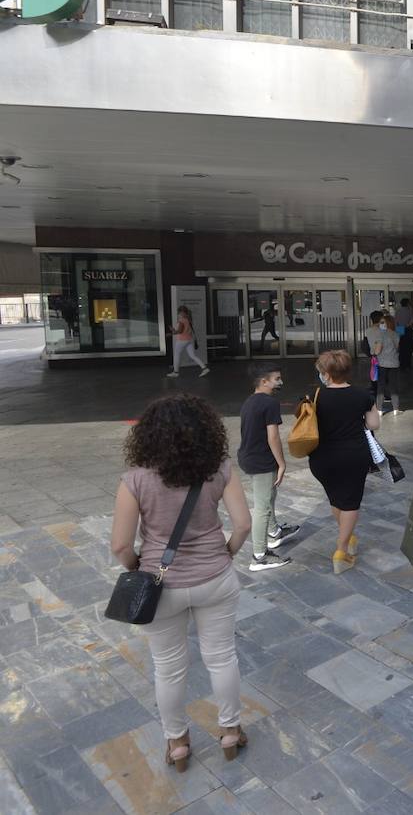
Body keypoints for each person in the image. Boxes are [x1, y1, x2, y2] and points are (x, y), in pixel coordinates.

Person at [110, 393, 252, 771]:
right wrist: (226, 554)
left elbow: (121, 544)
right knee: (222, 658)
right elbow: (243, 525)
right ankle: (231, 731)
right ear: (207, 431)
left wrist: (138, 564)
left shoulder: (135, 479)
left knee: (168, 667)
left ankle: (177, 743)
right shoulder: (219, 468)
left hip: (161, 585)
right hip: (215, 578)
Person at [308, 350, 381, 573]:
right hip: (353, 455)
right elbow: (373, 424)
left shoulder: (315, 396)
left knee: (336, 499)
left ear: (327, 375)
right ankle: (341, 550)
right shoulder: (363, 395)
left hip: (322, 458)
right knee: (350, 502)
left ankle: (347, 538)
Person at [237, 363, 298, 572]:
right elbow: (273, 437)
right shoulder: (270, 403)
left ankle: (274, 533)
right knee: (262, 507)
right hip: (261, 460)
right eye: (277, 379)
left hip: (248, 456)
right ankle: (259, 556)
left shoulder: (250, 401)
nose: (280, 382)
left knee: (269, 496)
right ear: (264, 381)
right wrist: (282, 463)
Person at [370, 312, 401, 415]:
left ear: (386, 323)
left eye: (382, 322)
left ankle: (379, 409)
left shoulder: (381, 334)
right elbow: (397, 348)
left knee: (381, 386)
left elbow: (377, 351)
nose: (380, 324)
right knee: (393, 386)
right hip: (394, 363)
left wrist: (374, 351)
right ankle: (396, 409)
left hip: (382, 364)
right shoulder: (396, 334)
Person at [167, 305, 209, 378]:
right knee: (193, 356)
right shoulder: (188, 319)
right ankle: (204, 368)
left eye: (179, 312)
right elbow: (183, 331)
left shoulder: (181, 320)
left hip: (182, 340)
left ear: (182, 312)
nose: (179, 314)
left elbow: (180, 331)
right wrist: (173, 330)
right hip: (189, 340)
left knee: (176, 355)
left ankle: (175, 372)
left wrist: (170, 333)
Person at [394, 297, 413, 369]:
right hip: (408, 329)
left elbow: (396, 321)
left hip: (400, 328)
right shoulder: (410, 310)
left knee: (402, 346)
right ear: (407, 303)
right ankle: (408, 363)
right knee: (409, 347)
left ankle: (402, 363)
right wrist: (407, 325)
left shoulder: (398, 311)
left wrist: (398, 328)